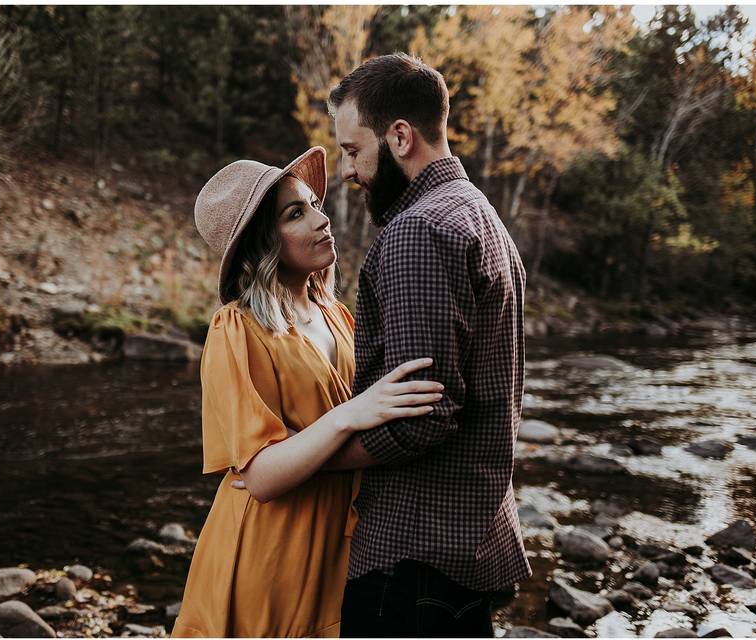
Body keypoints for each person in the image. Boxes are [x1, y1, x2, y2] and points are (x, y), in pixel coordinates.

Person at [172, 147, 443, 637]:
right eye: (296, 213)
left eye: (314, 204)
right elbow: (261, 477)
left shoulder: (338, 316)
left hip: (340, 545)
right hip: (270, 551)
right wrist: (350, 415)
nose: (322, 220)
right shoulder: (237, 329)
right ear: (263, 242)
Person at [322, 53, 532, 637]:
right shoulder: (480, 216)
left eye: (352, 150)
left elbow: (422, 416)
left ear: (399, 136)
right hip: (462, 545)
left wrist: (309, 458)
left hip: (413, 559)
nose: (349, 171)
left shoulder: (420, 231)